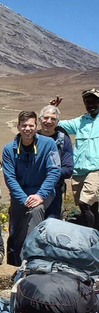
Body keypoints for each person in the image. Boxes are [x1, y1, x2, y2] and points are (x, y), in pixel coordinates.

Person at [2, 110, 61, 265]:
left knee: (35, 211)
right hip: (20, 195)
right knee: (18, 233)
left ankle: (33, 262)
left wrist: (40, 195)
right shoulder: (9, 149)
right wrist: (23, 199)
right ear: (18, 126)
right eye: (24, 126)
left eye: (31, 125)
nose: (27, 129)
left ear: (36, 126)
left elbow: (54, 171)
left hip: (43, 192)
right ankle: (19, 267)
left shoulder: (49, 145)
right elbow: (9, 177)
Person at [53, 90, 99, 229]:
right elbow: (55, 124)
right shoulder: (80, 121)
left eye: (94, 101)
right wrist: (55, 110)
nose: (91, 104)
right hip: (78, 171)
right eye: (88, 102)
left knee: (85, 203)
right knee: (89, 207)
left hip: (96, 170)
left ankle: (89, 238)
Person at [36, 105, 75, 220]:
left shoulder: (63, 140)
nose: (49, 121)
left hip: (54, 191)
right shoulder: (30, 138)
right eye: (46, 118)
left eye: (53, 119)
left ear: (58, 122)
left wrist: (43, 172)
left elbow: (68, 170)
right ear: (40, 120)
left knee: (51, 224)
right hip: (31, 189)